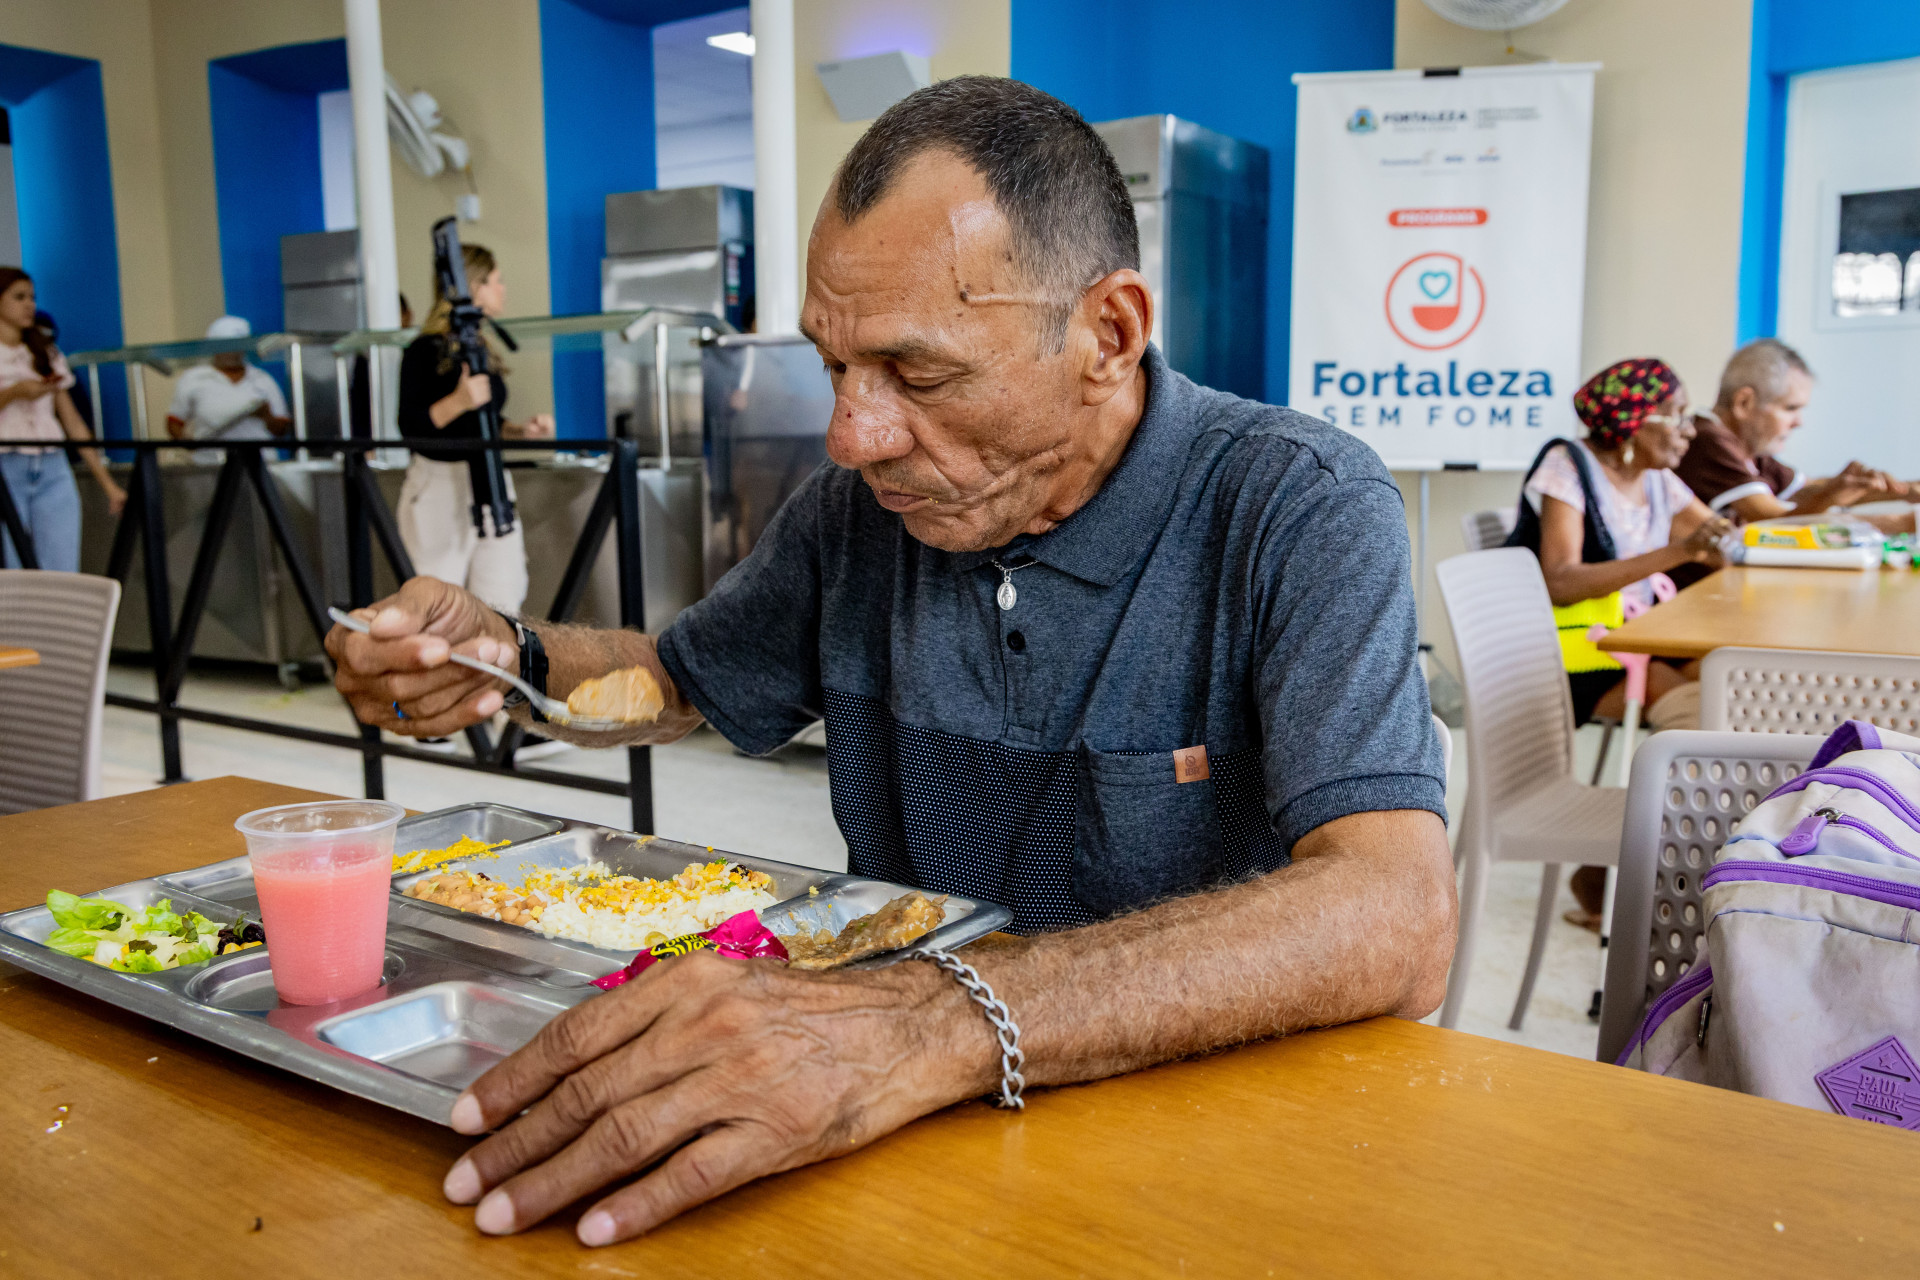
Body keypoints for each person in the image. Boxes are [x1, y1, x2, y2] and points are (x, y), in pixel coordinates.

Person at [326, 77, 1454, 1248]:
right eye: (835, 367)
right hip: (902, 1138)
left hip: (1208, 1158)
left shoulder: (1296, 506)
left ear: (1108, 335)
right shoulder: (857, 517)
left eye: (919, 373)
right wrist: (503, 653)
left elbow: (1394, 911)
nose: (853, 435)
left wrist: (928, 1021)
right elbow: (673, 678)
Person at [1507, 356, 1732, 928]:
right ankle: (1630, 888)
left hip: (1628, 647)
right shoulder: (1569, 466)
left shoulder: (1656, 479)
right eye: (1676, 416)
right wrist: (1680, 551)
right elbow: (1560, 580)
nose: (1689, 431)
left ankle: (1617, 875)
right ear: (1634, 420)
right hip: (1573, 660)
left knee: (1719, 686)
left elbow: (1721, 540)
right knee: (1694, 713)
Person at [395, 244, 552, 615]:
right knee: (435, 605)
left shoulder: (480, 347)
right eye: (495, 281)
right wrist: (459, 400)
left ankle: (494, 673)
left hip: (490, 480)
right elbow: (410, 426)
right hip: (439, 486)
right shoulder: (424, 350)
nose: (503, 289)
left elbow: (485, 422)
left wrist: (519, 431)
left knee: (502, 599)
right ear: (473, 287)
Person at [1676, 338, 1910, 523]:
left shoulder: (1749, 448)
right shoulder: (1705, 439)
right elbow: (1770, 520)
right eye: (1790, 408)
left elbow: (1804, 491)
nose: (1799, 422)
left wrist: (1905, 491)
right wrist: (1833, 496)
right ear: (1744, 403)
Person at [0, 267, 126, 570]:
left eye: (32, 297)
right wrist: (14, 392)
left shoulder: (46, 352)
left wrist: (108, 483)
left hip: (53, 465)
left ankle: (53, 618)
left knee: (62, 563)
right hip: (6, 464)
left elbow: (72, 421)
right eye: (19, 297)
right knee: (13, 565)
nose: (29, 305)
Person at [166, 315, 292, 464]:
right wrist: (187, 443)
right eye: (226, 346)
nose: (232, 352)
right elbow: (174, 421)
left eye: (237, 346)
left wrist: (267, 416)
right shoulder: (194, 378)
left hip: (260, 465)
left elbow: (281, 429)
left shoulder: (263, 379)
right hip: (211, 464)